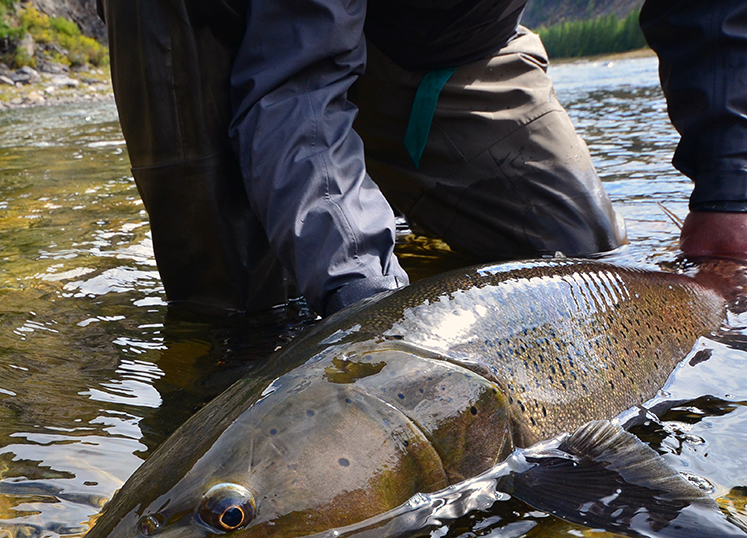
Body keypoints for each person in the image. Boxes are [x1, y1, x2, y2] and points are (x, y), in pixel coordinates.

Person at [97, 0, 747, 317]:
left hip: (446, 41)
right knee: (244, 317)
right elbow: (295, 88)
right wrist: (373, 314)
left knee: (585, 275)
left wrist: (729, 186)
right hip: (226, 19)